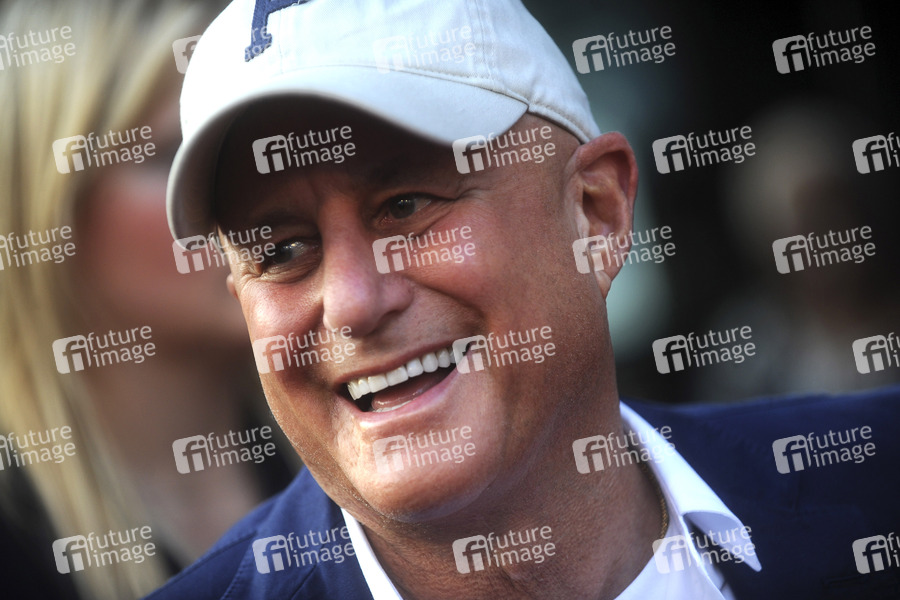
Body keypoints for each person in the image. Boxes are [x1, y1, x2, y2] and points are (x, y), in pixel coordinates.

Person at [149, 0, 900, 598]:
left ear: (596, 214)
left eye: (406, 205)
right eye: (281, 252)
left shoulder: (877, 476)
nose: (350, 304)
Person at [0, 1, 295, 598]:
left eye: (253, 146)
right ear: (48, 207)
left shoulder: (362, 445)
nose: (253, 198)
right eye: (176, 158)